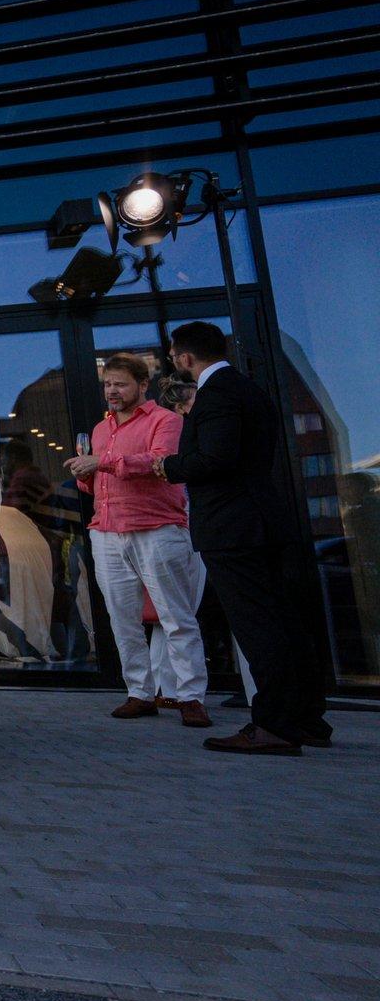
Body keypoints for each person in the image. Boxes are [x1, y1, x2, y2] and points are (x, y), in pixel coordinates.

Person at [157, 321, 330, 756]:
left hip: (233, 527)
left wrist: (169, 467)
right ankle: (306, 719)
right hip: (261, 519)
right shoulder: (249, 389)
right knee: (285, 622)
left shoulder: (216, 396)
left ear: (184, 357)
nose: (174, 362)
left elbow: (215, 457)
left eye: (174, 355)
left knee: (258, 626)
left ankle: (273, 725)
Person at [65, 355, 210, 727]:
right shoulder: (99, 430)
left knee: (175, 616)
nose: (112, 391)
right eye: (107, 384)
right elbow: (95, 484)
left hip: (157, 528)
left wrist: (103, 463)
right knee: (122, 618)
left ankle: (190, 697)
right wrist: (84, 472)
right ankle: (140, 693)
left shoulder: (167, 420)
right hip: (107, 531)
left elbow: (160, 462)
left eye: (120, 384)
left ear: (143, 385)